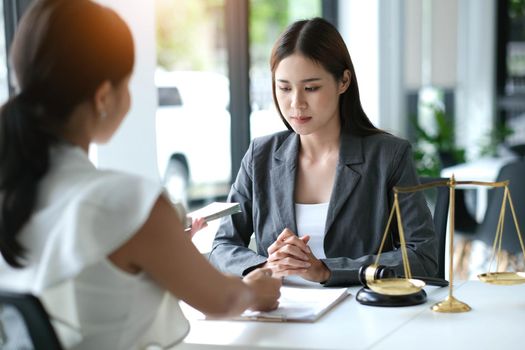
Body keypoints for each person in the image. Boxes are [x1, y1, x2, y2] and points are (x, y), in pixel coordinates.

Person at [0, 0, 280, 349]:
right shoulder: (127, 202)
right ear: (103, 96)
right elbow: (222, 300)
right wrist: (256, 291)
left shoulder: (13, 189)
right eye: (128, 83)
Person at [209, 17, 438, 287]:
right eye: (284, 88)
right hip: (281, 310)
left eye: (311, 88)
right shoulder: (260, 155)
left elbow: (423, 256)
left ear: (343, 81)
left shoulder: (388, 156)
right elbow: (222, 245)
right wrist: (265, 266)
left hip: (360, 314)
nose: (296, 103)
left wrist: (327, 270)